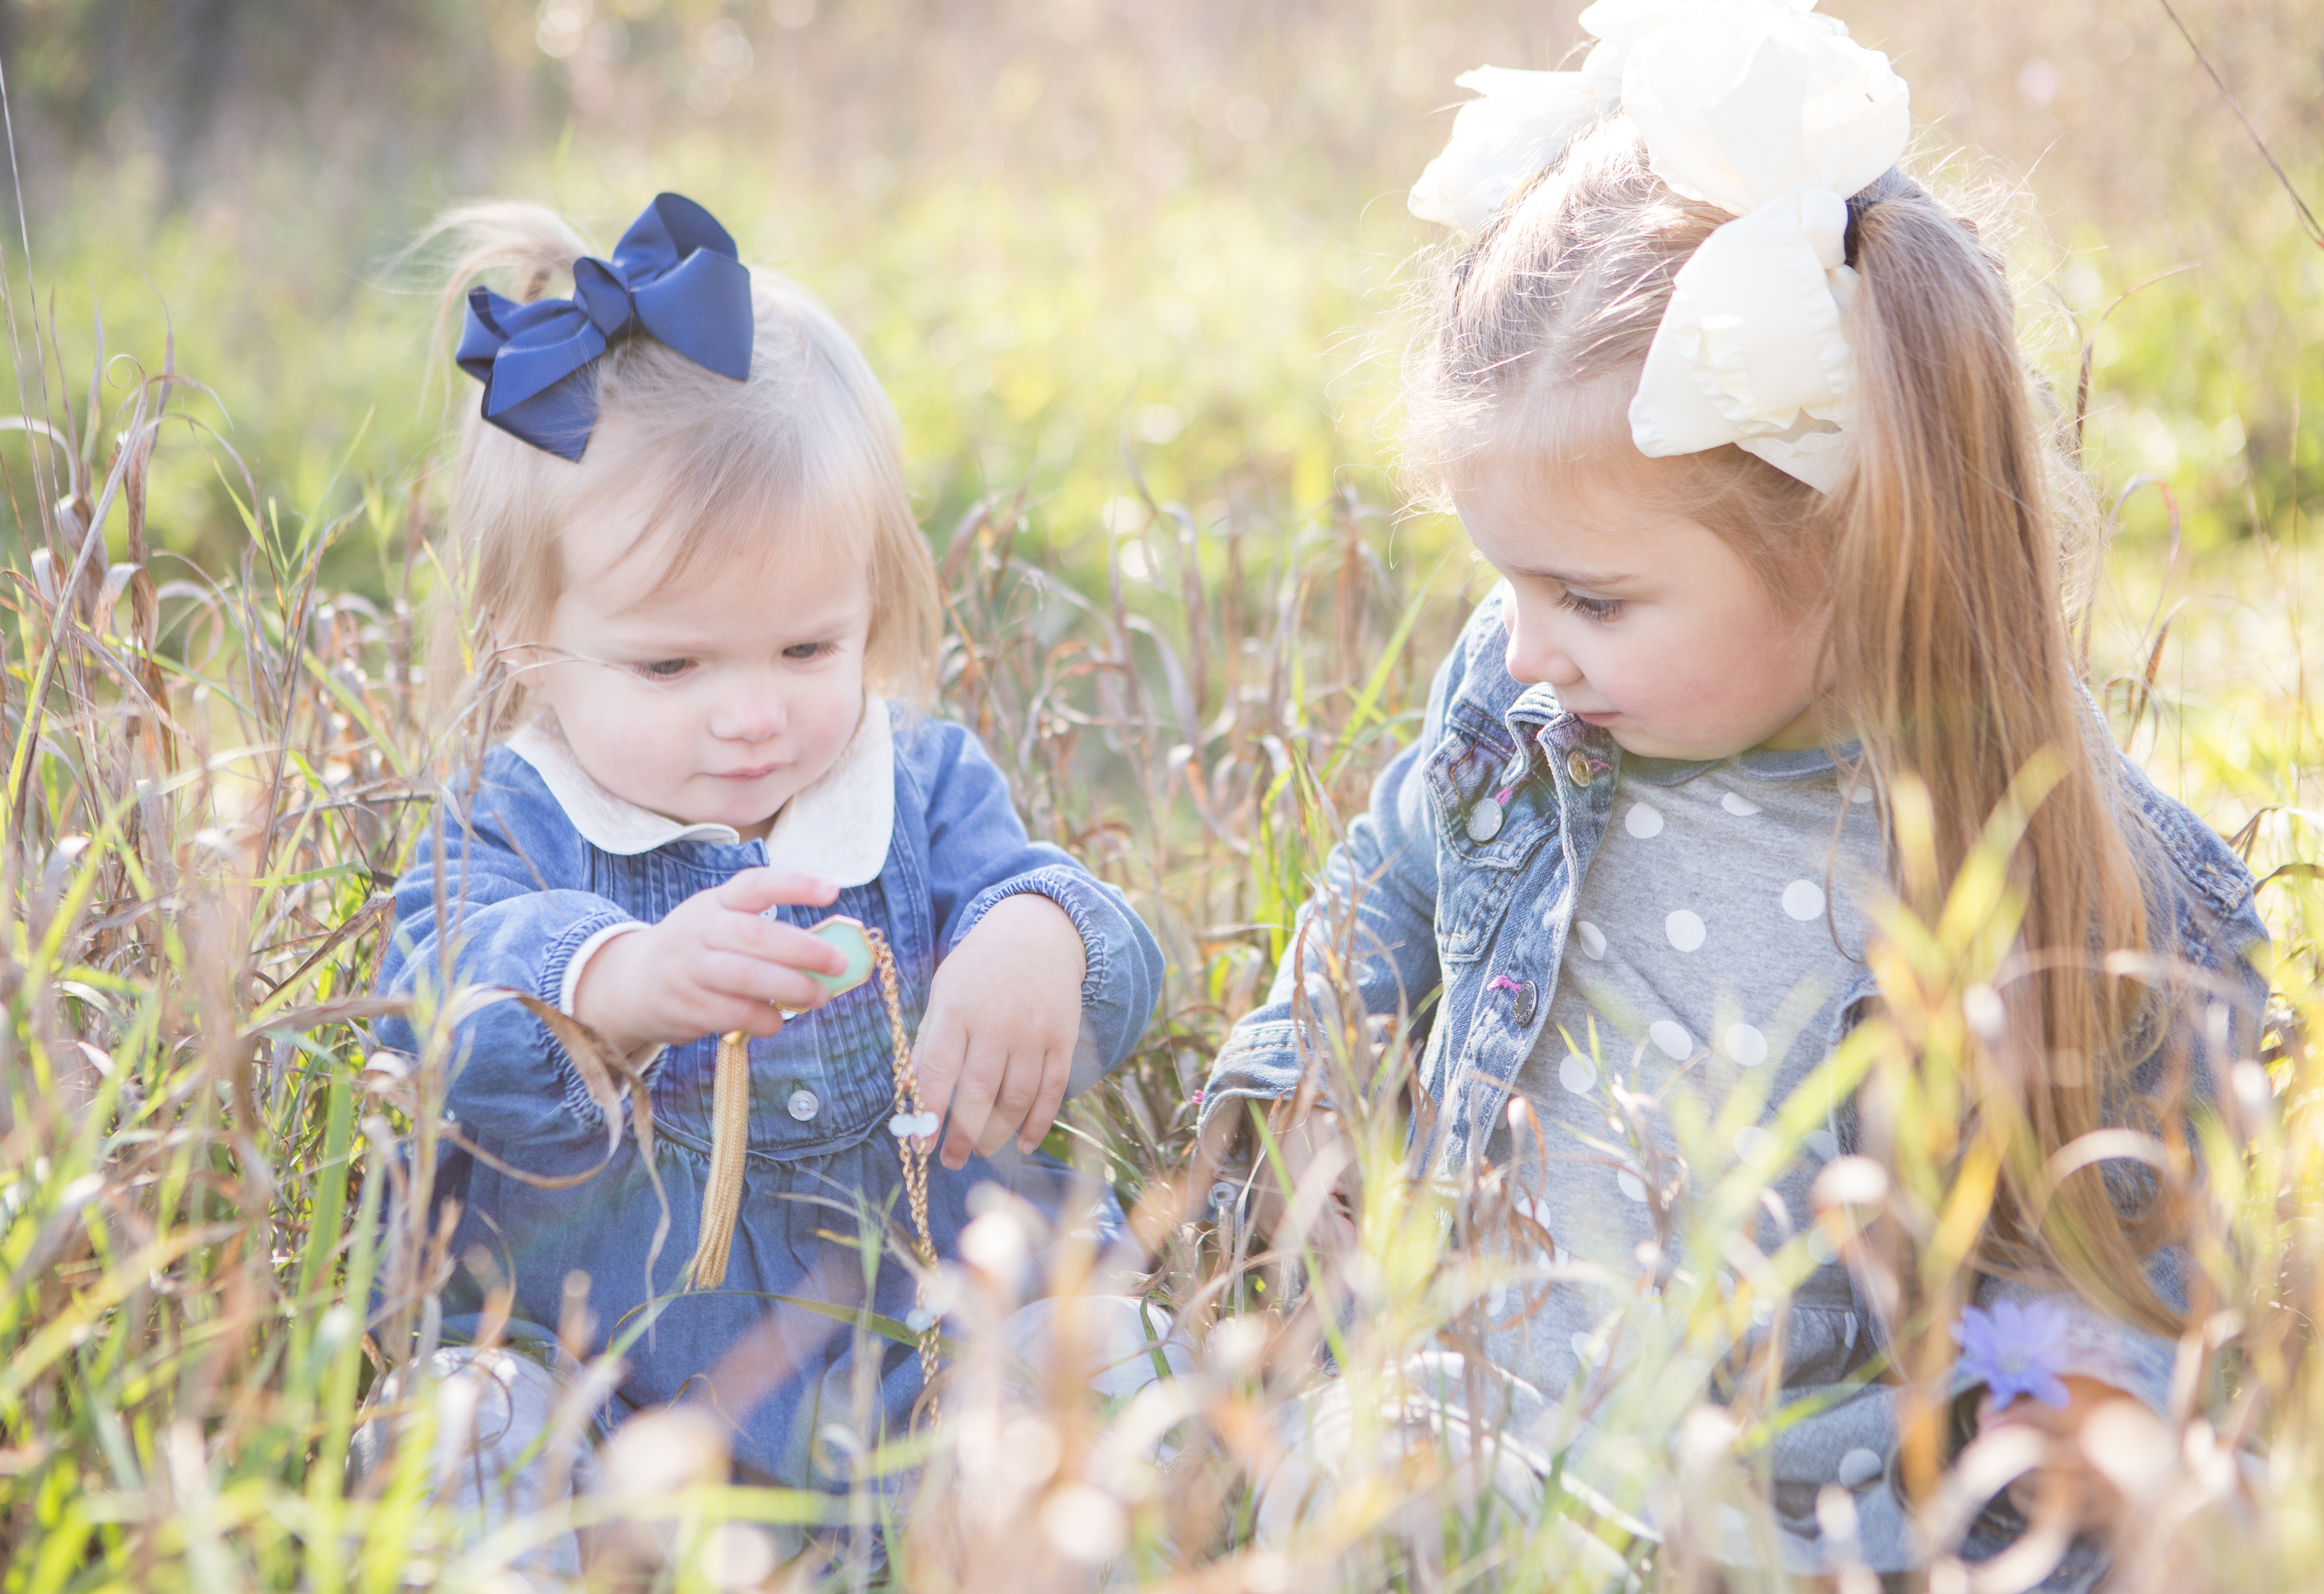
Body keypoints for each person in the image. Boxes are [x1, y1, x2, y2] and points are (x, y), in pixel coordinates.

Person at [1200, 4, 2266, 1587]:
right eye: (1507, 584)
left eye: (1594, 600)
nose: (1528, 649)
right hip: (1481, 1418)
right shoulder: (1527, 705)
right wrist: (1298, 1087)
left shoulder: (2057, 858)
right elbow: (1402, 870)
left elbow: (2110, 1262)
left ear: (1847, 554)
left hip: (1810, 1497)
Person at [367, 193, 1165, 1563]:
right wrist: (613, 988)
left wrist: (1041, 937)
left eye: (806, 650)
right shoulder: (515, 826)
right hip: (612, 1420)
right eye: (674, 666)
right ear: (527, 644)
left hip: (923, 1377)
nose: (753, 715)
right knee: (462, 1421)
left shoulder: (917, 788)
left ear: (873, 603)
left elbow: (1103, 953)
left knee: (1104, 1357)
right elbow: (431, 1025)